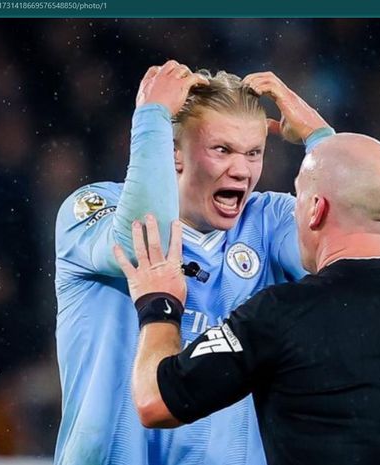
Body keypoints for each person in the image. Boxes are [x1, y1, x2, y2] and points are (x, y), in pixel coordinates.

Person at [114, 133, 380, 465]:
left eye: (298, 197)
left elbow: (154, 401)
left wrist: (159, 305)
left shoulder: (279, 314)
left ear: (316, 209)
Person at [54, 61, 351, 464]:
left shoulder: (268, 220)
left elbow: (353, 244)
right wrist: (152, 119)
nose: (242, 170)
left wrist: (321, 140)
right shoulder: (91, 209)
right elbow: (146, 238)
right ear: (173, 152)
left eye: (254, 153)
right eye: (222, 150)